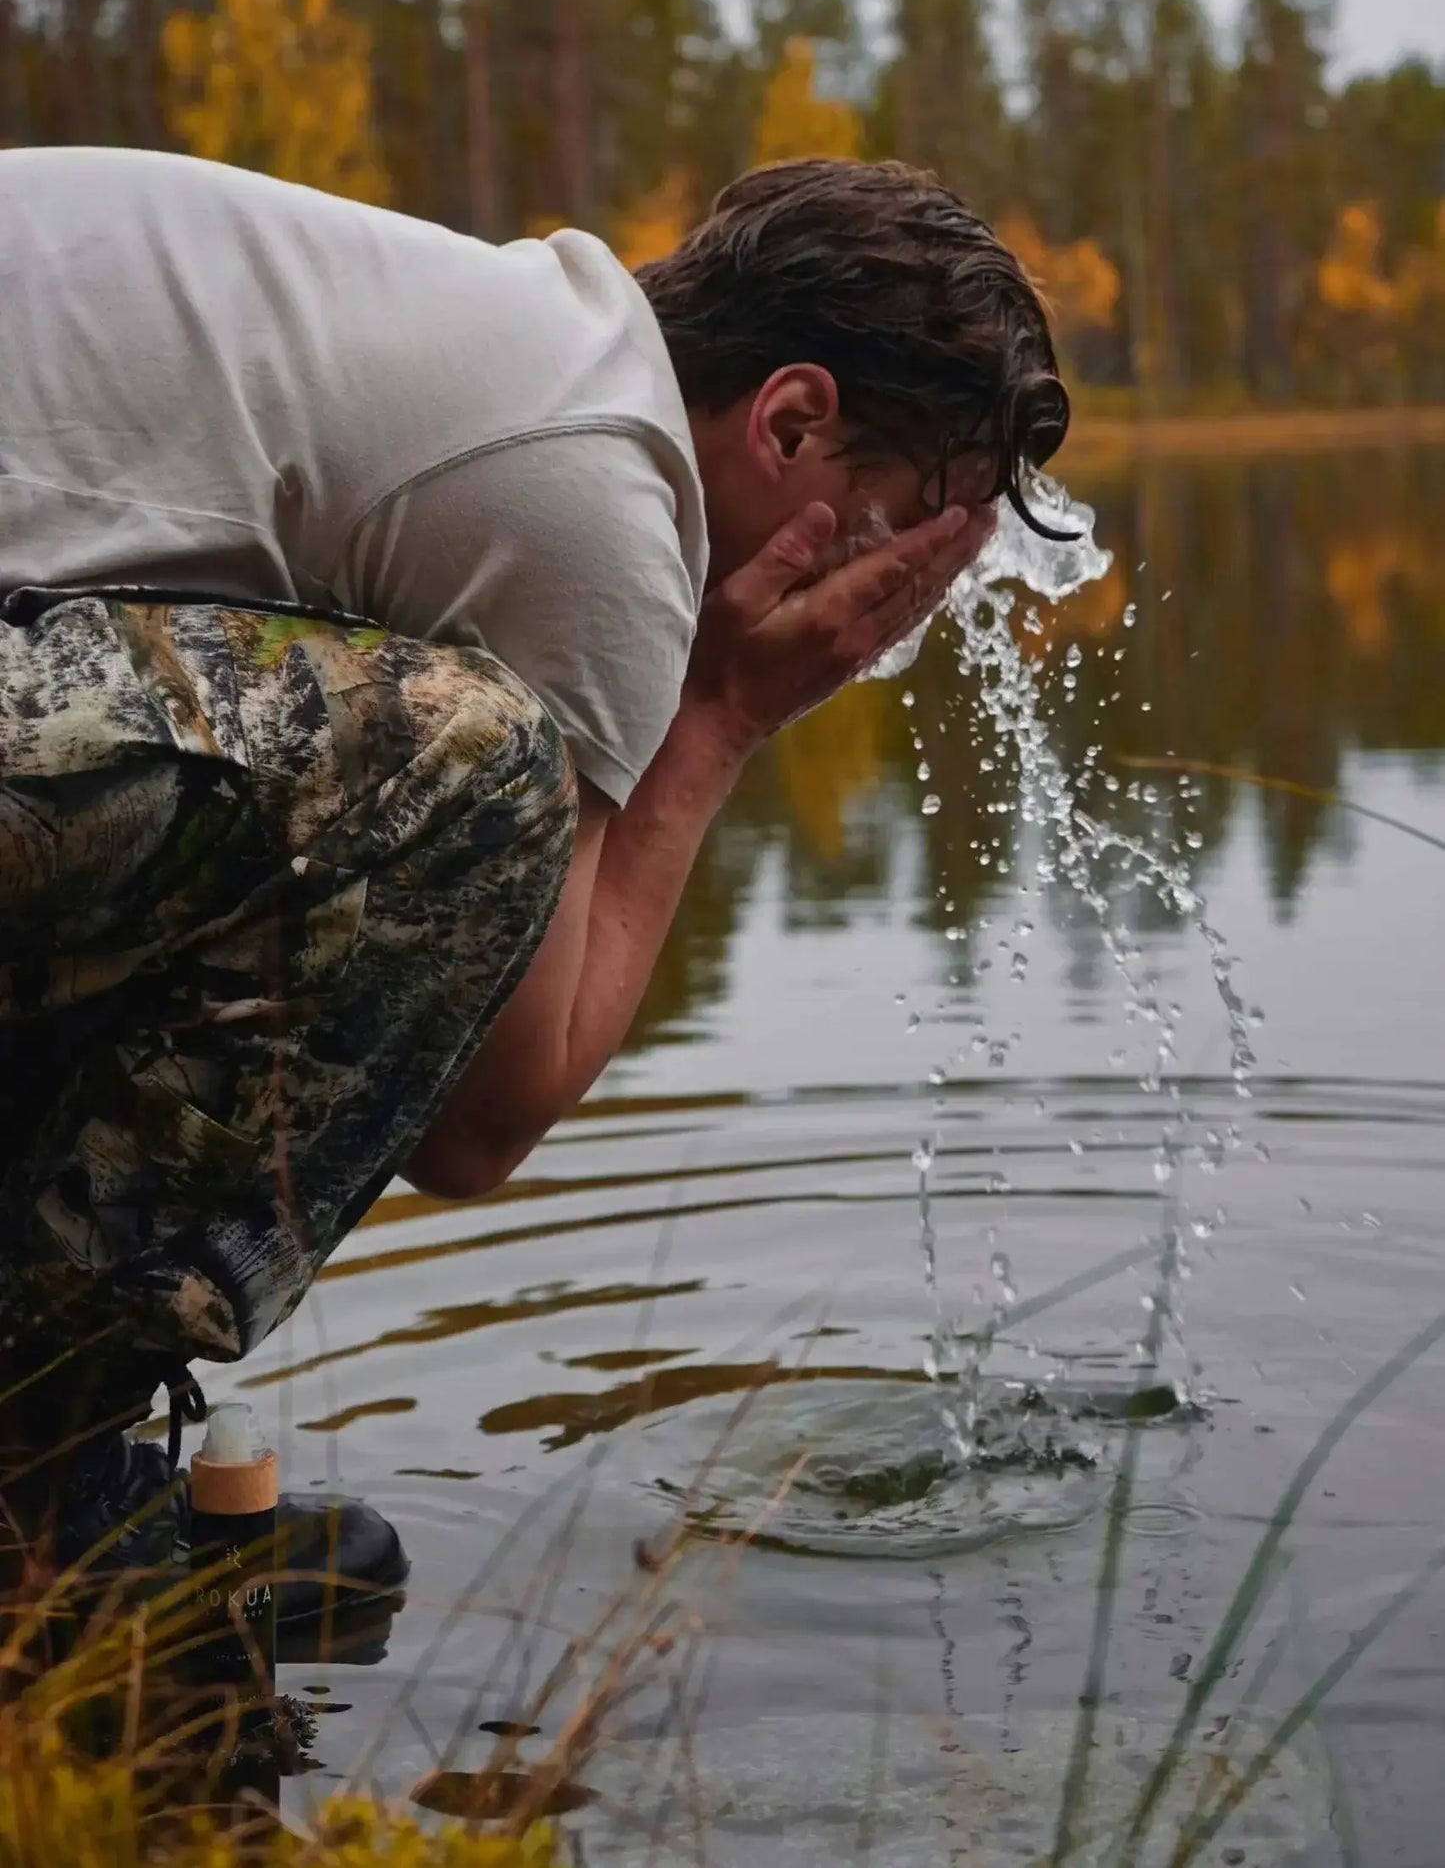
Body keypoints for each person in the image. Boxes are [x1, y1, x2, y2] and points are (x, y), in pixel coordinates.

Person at [0, 147, 1069, 1620]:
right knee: (460, 763)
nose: (887, 612)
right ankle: (36, 1486)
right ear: (792, 418)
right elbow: (484, 1123)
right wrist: (721, 721)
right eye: (901, 531)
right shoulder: (598, 500)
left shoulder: (530, 349)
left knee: (258, 810)